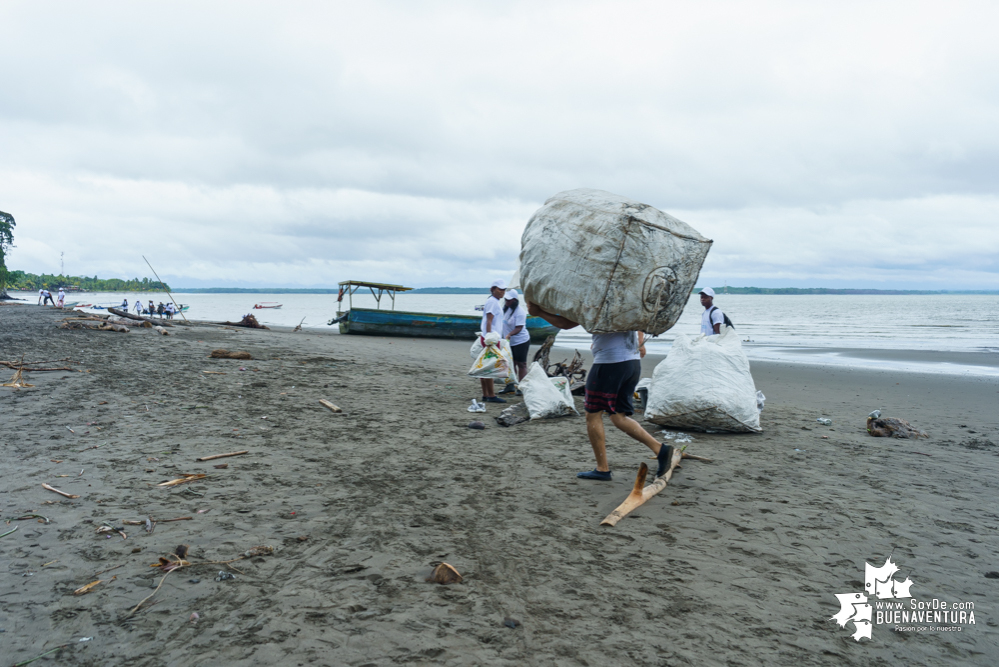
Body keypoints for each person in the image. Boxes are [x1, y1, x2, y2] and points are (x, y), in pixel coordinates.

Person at [527, 301, 673, 481]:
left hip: (610, 363)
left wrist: (538, 311)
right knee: (618, 416)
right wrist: (640, 343)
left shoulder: (598, 297)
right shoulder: (628, 299)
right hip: (631, 362)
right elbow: (639, 323)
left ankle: (602, 469)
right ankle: (661, 450)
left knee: (593, 414)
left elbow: (567, 323)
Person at [476, 279, 508, 403]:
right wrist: (489, 338)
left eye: (504, 290)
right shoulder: (493, 302)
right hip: (491, 339)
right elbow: (489, 320)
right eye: (500, 289)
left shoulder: (493, 301)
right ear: (493, 289)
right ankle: (491, 395)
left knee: (485, 365)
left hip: (490, 337)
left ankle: (486, 394)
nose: (502, 292)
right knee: (490, 366)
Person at [498, 289, 530, 392]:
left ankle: (521, 387)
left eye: (509, 300)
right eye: (506, 299)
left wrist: (509, 334)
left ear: (515, 300)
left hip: (521, 341)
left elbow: (519, 327)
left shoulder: (520, 312)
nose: (507, 302)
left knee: (521, 364)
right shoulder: (506, 309)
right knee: (510, 364)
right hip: (509, 342)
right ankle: (510, 385)